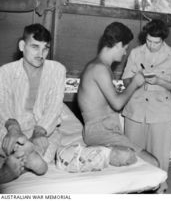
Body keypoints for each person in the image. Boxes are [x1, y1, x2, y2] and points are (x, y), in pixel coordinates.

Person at [77, 22, 158, 167]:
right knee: (153, 162)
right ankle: (98, 153)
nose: (125, 52)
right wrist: (134, 83)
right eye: (125, 48)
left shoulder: (99, 66)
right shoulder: (99, 69)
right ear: (118, 44)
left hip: (104, 128)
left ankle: (104, 153)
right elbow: (117, 104)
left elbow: (108, 101)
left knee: (139, 157)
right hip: (100, 131)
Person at [122, 19, 171, 192]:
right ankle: (133, 188)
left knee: (160, 154)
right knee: (133, 152)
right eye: (148, 40)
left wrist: (159, 81)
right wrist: (136, 80)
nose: (151, 45)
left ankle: (159, 189)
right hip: (136, 109)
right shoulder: (135, 53)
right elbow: (126, 79)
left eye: (156, 42)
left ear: (163, 40)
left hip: (161, 112)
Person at [0, 23, 66, 183]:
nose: (41, 54)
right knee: (7, 140)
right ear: (22, 46)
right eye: (35, 47)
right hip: (12, 127)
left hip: (43, 129)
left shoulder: (57, 70)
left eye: (45, 48)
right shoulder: (5, 72)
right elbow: (3, 104)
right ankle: (29, 159)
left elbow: (54, 107)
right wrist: (14, 129)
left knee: (47, 146)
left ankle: (14, 166)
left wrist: (39, 133)